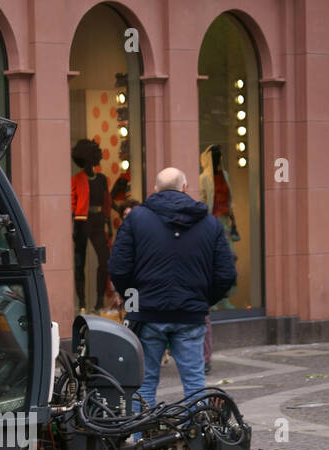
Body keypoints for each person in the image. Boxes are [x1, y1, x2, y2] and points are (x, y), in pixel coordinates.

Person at [109, 166, 236, 410]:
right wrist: (203, 299)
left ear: (154, 190)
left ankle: (141, 441)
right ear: (185, 188)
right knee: (195, 386)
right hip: (190, 315)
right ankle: (195, 443)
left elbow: (118, 268)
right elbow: (226, 274)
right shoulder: (209, 223)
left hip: (146, 314)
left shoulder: (136, 219)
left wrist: (133, 298)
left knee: (144, 385)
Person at [71, 139, 110, 312]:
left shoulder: (102, 179)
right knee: (80, 263)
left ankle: (100, 300)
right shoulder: (77, 179)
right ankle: (82, 303)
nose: (99, 155)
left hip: (98, 220)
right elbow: (72, 202)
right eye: (96, 152)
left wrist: (108, 222)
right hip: (81, 222)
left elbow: (107, 202)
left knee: (105, 260)